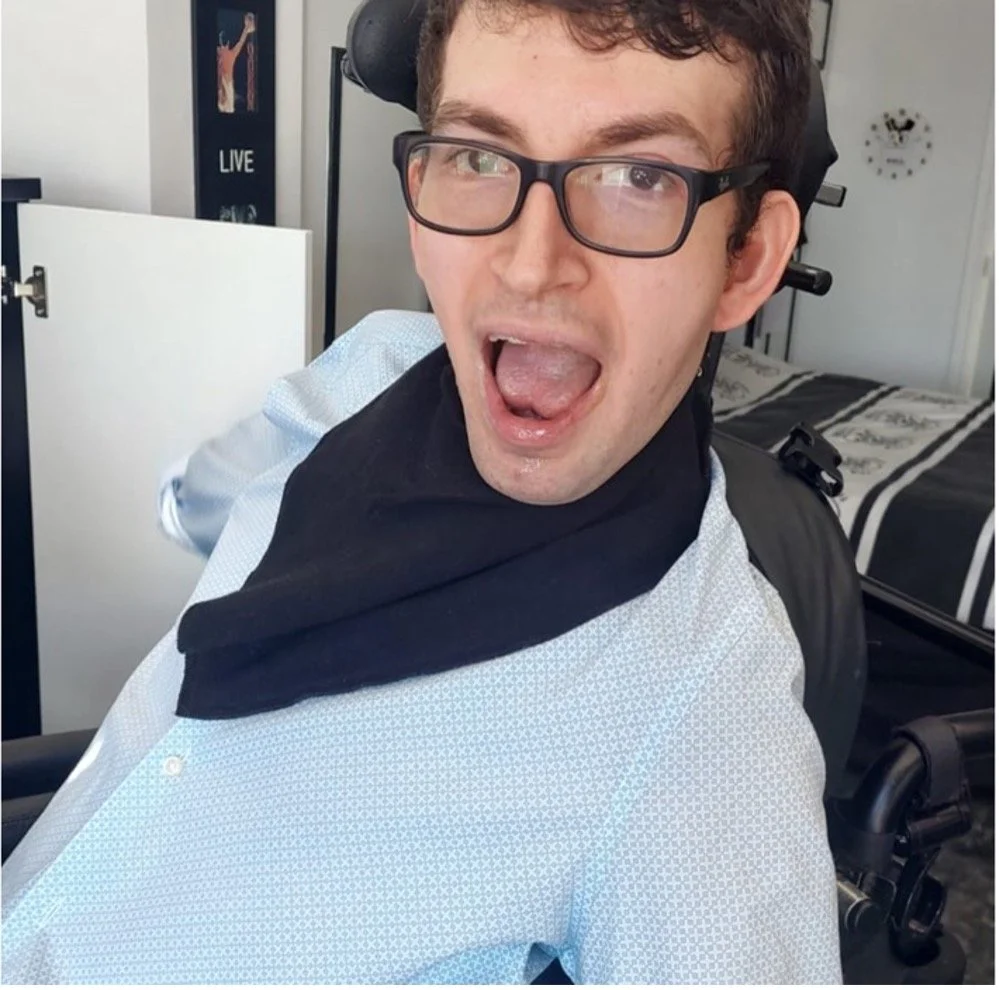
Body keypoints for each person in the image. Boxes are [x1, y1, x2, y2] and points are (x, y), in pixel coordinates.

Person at [2, 0, 843, 982]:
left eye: (638, 177)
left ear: (746, 261)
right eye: (480, 158)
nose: (531, 267)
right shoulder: (369, 370)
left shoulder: (704, 738)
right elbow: (212, 505)